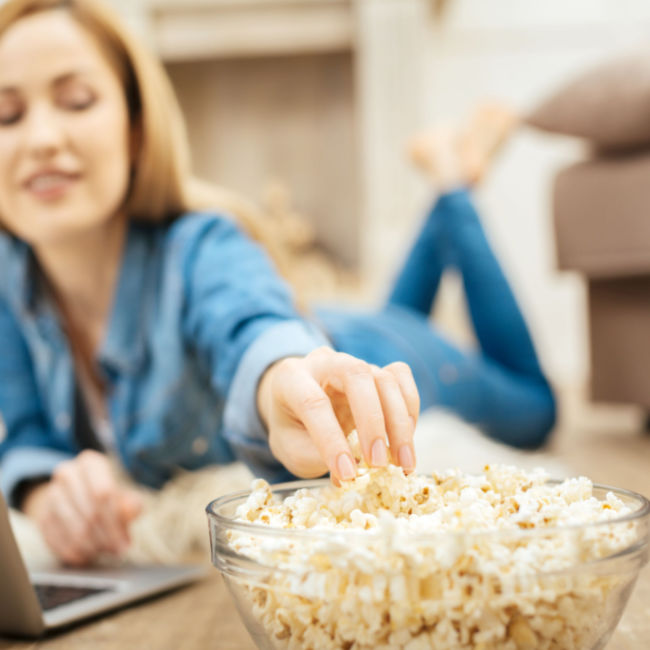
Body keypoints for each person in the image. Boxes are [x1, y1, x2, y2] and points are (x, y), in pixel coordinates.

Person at [0, 0, 553, 568]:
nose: (40, 136)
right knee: (398, 314)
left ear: (137, 130)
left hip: (367, 358)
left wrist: (281, 380)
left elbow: (252, 328)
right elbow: (24, 435)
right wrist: (45, 495)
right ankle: (443, 195)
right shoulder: (9, 281)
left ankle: (452, 187)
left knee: (537, 408)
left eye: (76, 101)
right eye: (7, 115)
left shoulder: (201, 244)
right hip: (338, 337)